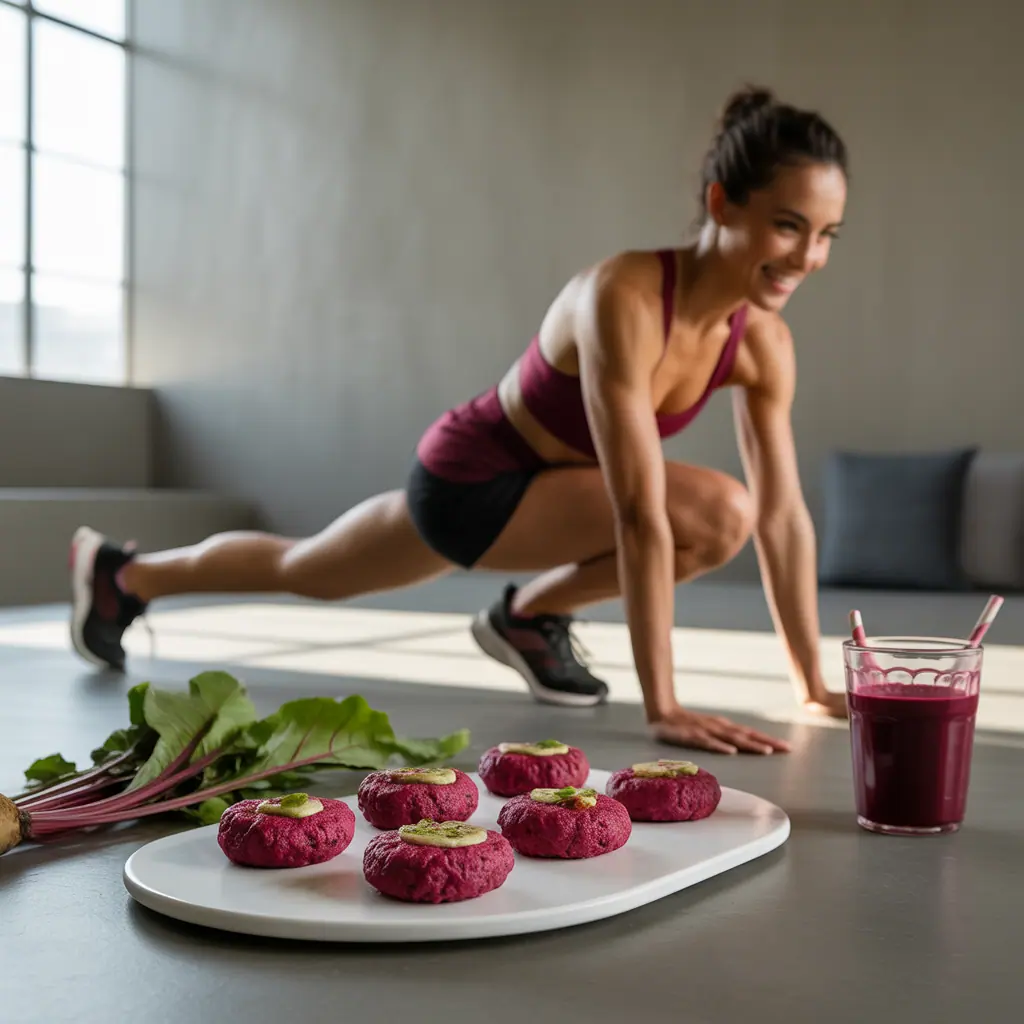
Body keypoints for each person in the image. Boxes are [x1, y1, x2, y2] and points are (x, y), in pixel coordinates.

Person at [69, 86, 850, 755]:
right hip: (473, 479)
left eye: (826, 236)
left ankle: (124, 574)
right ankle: (525, 617)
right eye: (788, 226)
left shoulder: (763, 344)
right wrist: (664, 706)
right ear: (721, 202)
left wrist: (809, 682)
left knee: (305, 565)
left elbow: (785, 518)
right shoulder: (627, 296)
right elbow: (639, 513)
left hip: (551, 488)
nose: (808, 256)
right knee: (308, 571)